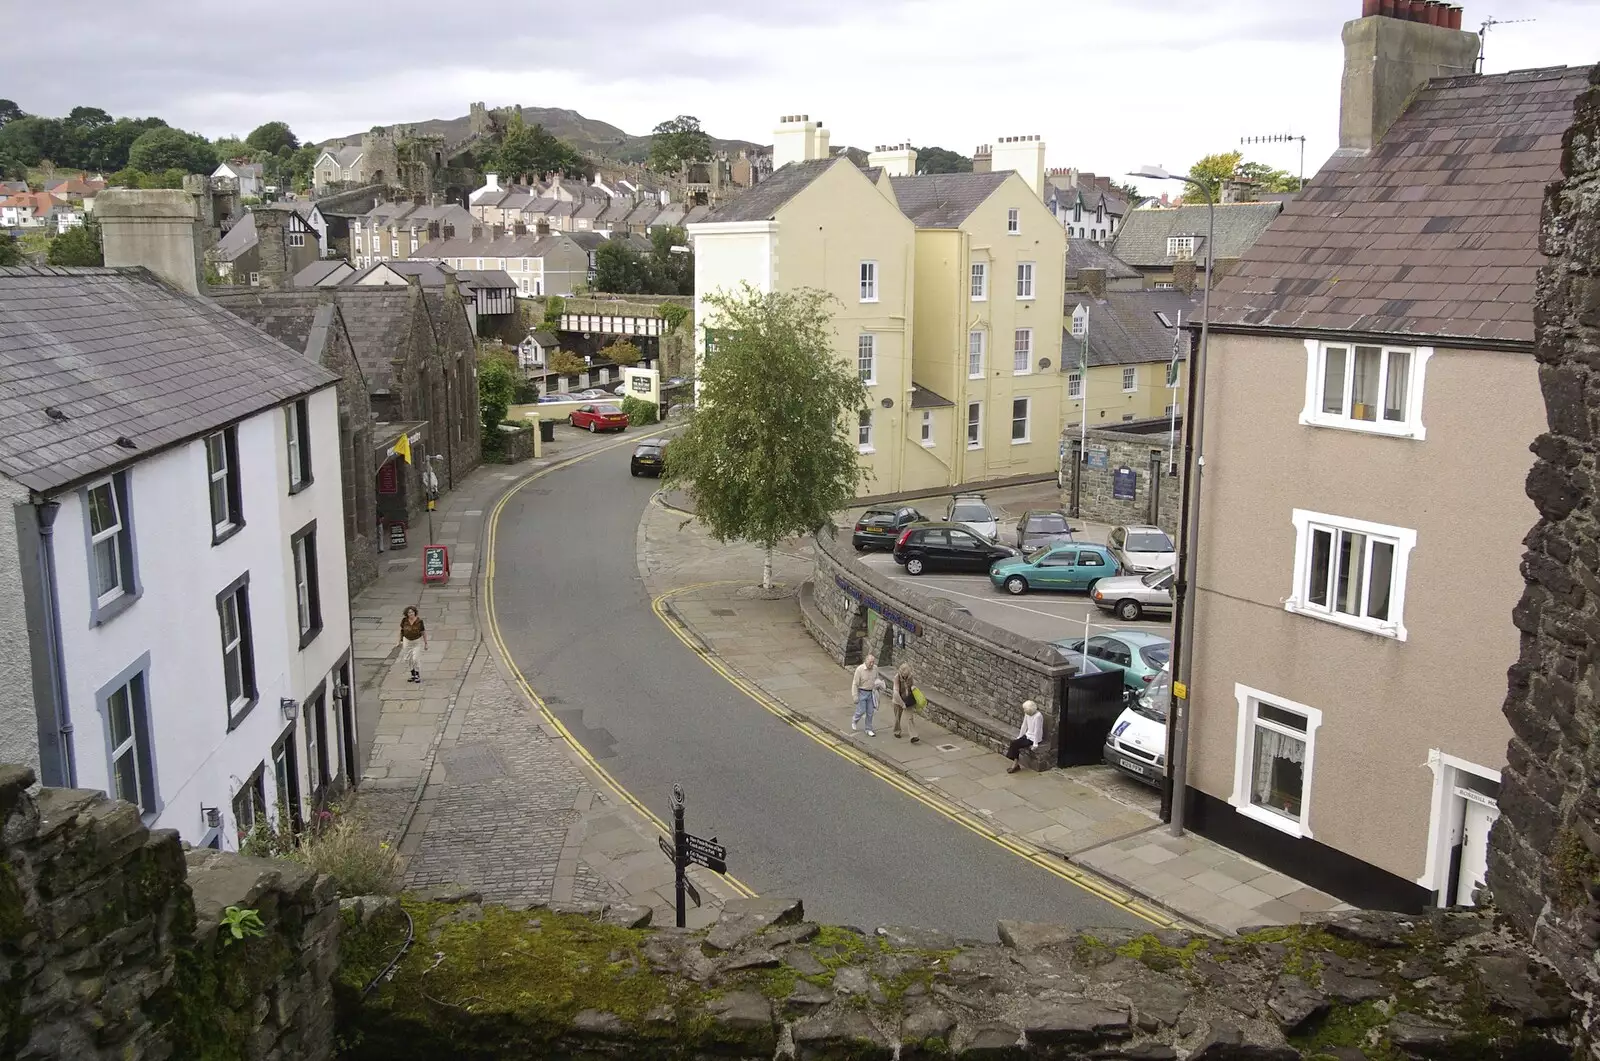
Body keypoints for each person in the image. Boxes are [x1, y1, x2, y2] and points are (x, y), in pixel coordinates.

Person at [1005, 700, 1044, 773]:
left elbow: (1037, 730)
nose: (1024, 711)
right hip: (1028, 735)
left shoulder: (1038, 716)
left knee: (1015, 744)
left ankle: (1015, 765)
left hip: (1033, 738)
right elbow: (1024, 725)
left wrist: (1035, 744)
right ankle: (1015, 763)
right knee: (1014, 743)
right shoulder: (1027, 714)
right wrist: (1020, 736)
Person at [850, 654, 878, 736]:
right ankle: (855, 720)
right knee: (861, 710)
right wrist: (855, 696)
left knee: (870, 712)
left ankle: (868, 729)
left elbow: (877, 679)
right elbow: (855, 684)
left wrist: (878, 685)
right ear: (866, 661)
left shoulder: (875, 669)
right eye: (870, 662)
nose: (872, 664)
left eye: (873, 662)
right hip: (862, 692)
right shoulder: (859, 669)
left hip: (871, 693)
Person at [399, 606, 428, 683]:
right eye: (409, 612)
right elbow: (401, 630)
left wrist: (426, 643)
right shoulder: (404, 621)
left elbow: (423, 632)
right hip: (407, 641)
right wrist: (399, 640)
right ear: (406, 614)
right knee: (407, 658)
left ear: (415, 612)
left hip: (416, 641)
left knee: (415, 658)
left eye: (412, 612)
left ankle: (417, 674)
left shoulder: (419, 621)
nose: (411, 614)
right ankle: (413, 674)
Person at [892, 663, 920, 743]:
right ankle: (896, 731)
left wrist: (913, 687)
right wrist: (902, 704)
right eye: (904, 675)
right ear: (901, 672)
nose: (905, 676)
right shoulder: (896, 677)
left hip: (908, 700)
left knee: (910, 718)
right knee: (897, 717)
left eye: (907, 675)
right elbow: (896, 693)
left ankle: (913, 736)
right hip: (898, 700)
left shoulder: (910, 676)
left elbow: (912, 685)